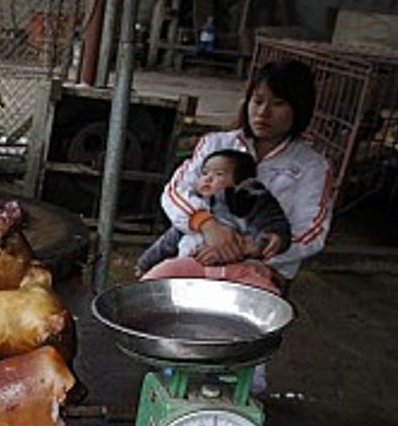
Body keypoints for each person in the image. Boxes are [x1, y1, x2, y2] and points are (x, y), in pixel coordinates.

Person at [143, 59, 334, 294]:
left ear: (299, 110)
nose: (263, 112)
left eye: (278, 103)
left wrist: (247, 246)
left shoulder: (312, 166)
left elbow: (311, 231)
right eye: (258, 100)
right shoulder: (216, 143)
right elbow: (175, 192)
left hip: (262, 269)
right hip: (196, 257)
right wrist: (207, 225)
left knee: (255, 323)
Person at [135, 149, 291, 276]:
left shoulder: (249, 201)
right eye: (204, 173)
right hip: (190, 266)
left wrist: (273, 237)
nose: (208, 178)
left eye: (219, 174)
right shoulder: (195, 210)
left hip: (237, 269)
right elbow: (167, 243)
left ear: (242, 182)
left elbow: (271, 220)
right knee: (158, 276)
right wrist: (146, 263)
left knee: (262, 285)